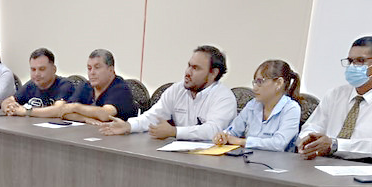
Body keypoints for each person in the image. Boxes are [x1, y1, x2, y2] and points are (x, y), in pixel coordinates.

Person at [297, 36, 372, 166]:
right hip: (324, 163)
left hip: (367, 169)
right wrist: (308, 140)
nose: (353, 66)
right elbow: (313, 126)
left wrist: (335, 145)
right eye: (350, 61)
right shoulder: (335, 95)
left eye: (360, 61)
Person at [99, 45, 235, 140]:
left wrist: (175, 132)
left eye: (195, 68)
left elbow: (213, 130)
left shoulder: (224, 97)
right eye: (189, 66)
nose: (188, 72)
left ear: (213, 73)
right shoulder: (178, 89)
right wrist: (129, 126)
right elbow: (153, 116)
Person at [214, 60, 301, 152]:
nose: (254, 88)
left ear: (279, 83)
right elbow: (233, 131)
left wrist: (241, 142)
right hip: (249, 158)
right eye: (255, 82)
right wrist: (223, 136)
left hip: (277, 160)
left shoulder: (291, 108)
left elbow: (279, 144)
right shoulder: (252, 105)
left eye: (260, 82)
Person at [58, 49, 138, 123]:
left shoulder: (120, 88)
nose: (92, 72)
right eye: (89, 68)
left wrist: (75, 107)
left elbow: (105, 115)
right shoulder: (86, 86)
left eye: (97, 68)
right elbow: (64, 111)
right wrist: (85, 119)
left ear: (111, 70)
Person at [0, 47, 81, 117]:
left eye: (42, 69)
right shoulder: (31, 85)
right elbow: (7, 101)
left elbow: (59, 110)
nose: (36, 74)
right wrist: (8, 107)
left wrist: (26, 111)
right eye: (33, 69)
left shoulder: (65, 84)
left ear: (54, 69)